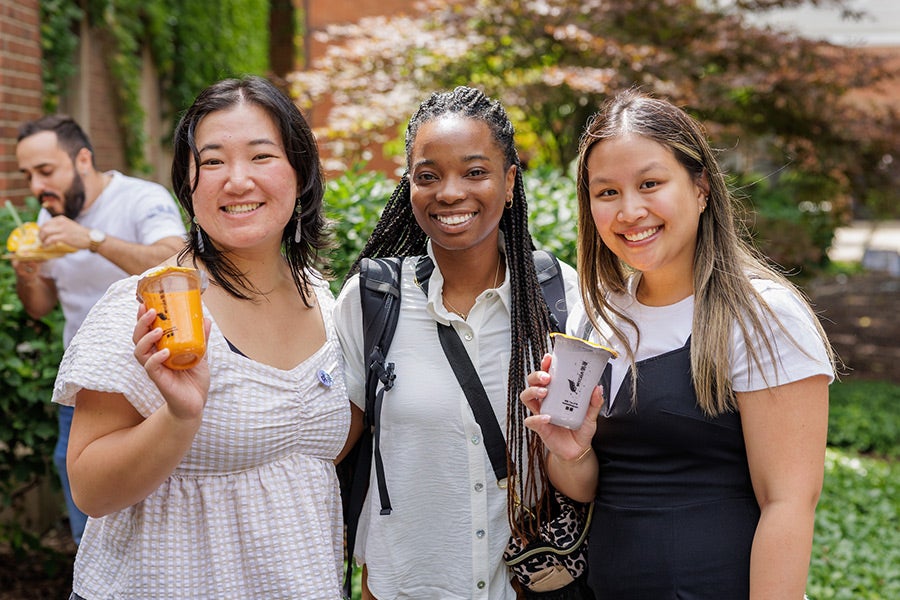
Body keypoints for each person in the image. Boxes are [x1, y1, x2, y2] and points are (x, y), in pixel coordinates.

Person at [520, 89, 836, 599]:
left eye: (650, 184)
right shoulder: (594, 314)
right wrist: (572, 454)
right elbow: (584, 489)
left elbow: (789, 504)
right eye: (607, 193)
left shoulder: (763, 316)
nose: (629, 211)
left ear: (701, 187)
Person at [53, 76, 349, 598]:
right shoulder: (145, 307)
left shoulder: (327, 301)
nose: (237, 181)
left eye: (262, 156)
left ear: (301, 171)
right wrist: (179, 417)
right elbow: (91, 491)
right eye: (212, 161)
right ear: (187, 182)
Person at [333, 86, 582, 599]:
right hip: (404, 586)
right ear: (409, 186)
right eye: (428, 176)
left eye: (475, 172)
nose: (449, 192)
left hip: (525, 587)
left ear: (510, 181)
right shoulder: (370, 302)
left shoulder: (559, 297)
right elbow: (331, 446)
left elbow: (584, 461)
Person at [13, 115, 186, 545]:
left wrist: (90, 238)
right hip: (84, 394)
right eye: (28, 175)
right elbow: (41, 306)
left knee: (152, 519)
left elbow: (176, 260)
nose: (37, 187)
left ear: (84, 159)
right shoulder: (49, 214)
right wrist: (27, 273)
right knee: (89, 524)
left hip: (151, 389)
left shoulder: (141, 198)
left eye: (46, 171)